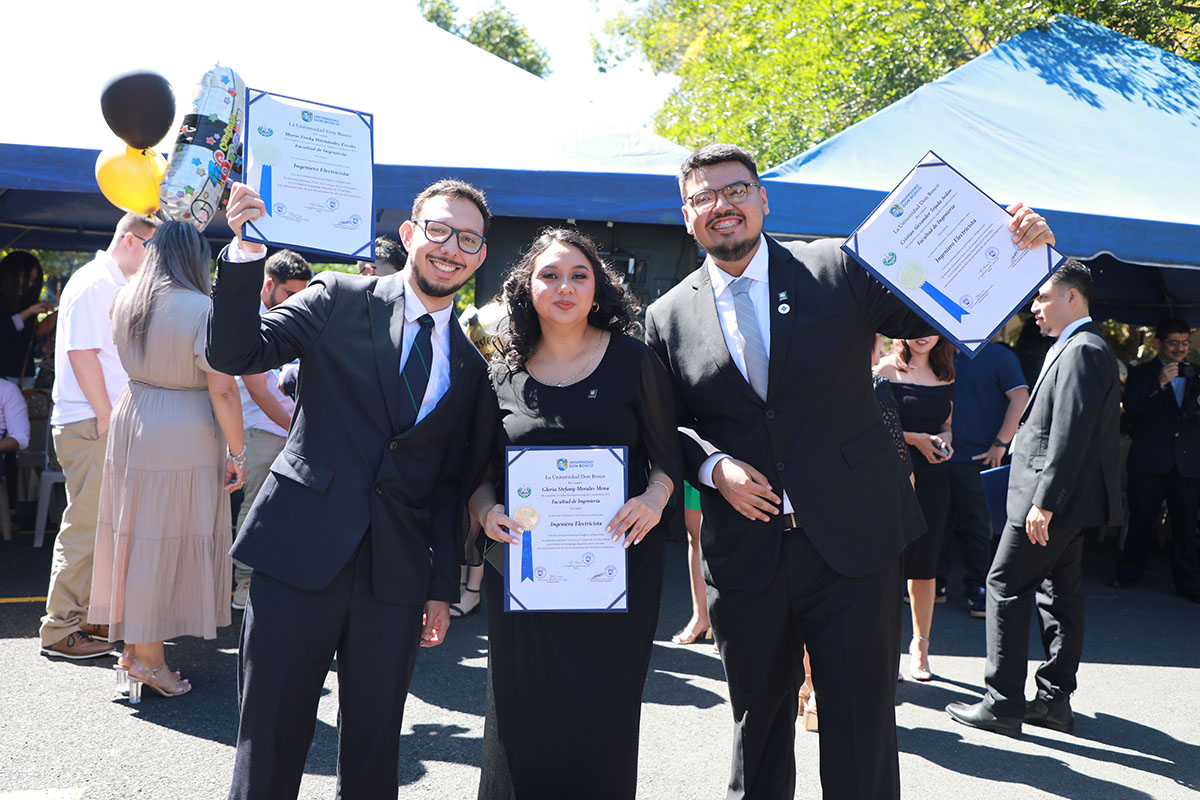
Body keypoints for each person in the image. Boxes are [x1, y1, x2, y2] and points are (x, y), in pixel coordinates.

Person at [644, 143, 1057, 799]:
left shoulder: (835, 265)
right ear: (686, 213)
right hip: (746, 554)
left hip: (854, 545)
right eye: (704, 197)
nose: (722, 206)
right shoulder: (664, 316)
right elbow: (665, 427)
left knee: (862, 726)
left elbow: (936, 311)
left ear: (763, 199)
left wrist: (1018, 253)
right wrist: (715, 467)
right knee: (758, 726)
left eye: (736, 190)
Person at [209, 179, 496, 800]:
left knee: (374, 750)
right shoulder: (338, 296)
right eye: (440, 230)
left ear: (478, 255)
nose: (452, 247)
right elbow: (235, 349)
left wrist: (441, 590)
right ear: (410, 233)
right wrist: (243, 252)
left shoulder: (474, 368)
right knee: (271, 736)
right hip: (298, 552)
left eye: (468, 239)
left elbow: (449, 488)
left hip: (393, 578)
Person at [470, 227, 681, 799]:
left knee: (602, 715)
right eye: (550, 275)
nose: (564, 286)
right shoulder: (499, 370)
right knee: (521, 715)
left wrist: (653, 499)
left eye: (578, 275)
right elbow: (480, 475)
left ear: (598, 289)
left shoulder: (634, 360)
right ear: (526, 288)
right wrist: (487, 512)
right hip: (524, 575)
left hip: (614, 575)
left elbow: (669, 459)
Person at [947, 260, 1121, 737]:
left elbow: (1069, 433)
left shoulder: (1082, 350)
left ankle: (1002, 704)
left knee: (1004, 585)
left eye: (1042, 297)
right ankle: (1053, 701)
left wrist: (1045, 502)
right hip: (1063, 503)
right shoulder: (1077, 347)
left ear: (1072, 298)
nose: (1033, 307)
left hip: (1050, 504)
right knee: (1058, 594)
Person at [88, 221, 246, 698]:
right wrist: (239, 451)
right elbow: (222, 386)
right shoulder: (202, 309)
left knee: (137, 535)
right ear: (197, 258)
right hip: (182, 427)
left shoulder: (126, 299)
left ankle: (137, 649)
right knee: (161, 540)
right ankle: (150, 661)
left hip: (134, 416)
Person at [39, 212, 159, 660]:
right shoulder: (94, 283)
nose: (152, 261)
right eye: (151, 249)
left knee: (97, 526)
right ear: (130, 241)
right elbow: (82, 353)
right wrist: (107, 415)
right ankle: (60, 627)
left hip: (92, 420)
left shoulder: (102, 281)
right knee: (87, 526)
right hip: (91, 422)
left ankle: (79, 618)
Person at [230, 249, 312, 610]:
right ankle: (243, 583)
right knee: (256, 509)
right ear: (268, 285)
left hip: (290, 433)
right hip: (261, 432)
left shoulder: (298, 318)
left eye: (302, 294)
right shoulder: (251, 319)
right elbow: (259, 388)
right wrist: (302, 427)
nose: (297, 301)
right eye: (290, 294)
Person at [877, 336, 955, 681]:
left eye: (931, 328)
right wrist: (914, 440)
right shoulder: (884, 370)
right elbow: (868, 425)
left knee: (925, 566)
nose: (924, 334)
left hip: (934, 477)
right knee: (889, 565)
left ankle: (920, 648)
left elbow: (947, 423)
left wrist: (943, 441)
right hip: (890, 478)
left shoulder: (947, 374)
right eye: (915, 327)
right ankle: (886, 651)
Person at [1112, 317, 1200, 602]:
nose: (1180, 349)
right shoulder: (1141, 373)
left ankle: (1188, 583)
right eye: (1174, 343)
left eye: (1185, 343)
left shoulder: (1196, 374)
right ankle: (1128, 574)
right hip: (1149, 460)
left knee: (1185, 525)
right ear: (1158, 343)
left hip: (1185, 462)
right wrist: (1159, 384)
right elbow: (1132, 412)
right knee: (1140, 520)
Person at [939, 339, 1029, 617]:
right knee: (935, 522)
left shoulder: (999, 356)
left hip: (977, 458)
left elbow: (1021, 398)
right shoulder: (935, 350)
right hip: (937, 453)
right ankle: (935, 581)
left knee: (976, 527)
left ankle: (978, 587)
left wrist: (1001, 443)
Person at [0, 251, 55, 382]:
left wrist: (42, 349)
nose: (30, 284)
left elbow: (29, 345)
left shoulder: (26, 302)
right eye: (27, 278)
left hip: (24, 376)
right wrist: (27, 313)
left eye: (34, 280)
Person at [671, 481, 710, 644]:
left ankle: (732, 621)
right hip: (699, 462)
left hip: (734, 461)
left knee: (734, 537)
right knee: (696, 536)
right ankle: (701, 617)